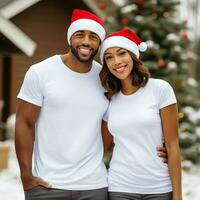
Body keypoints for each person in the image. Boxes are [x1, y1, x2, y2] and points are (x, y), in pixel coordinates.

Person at [15, 9, 167, 200]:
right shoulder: (40, 72)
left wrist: (160, 144)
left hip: (95, 186)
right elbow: (24, 122)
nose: (86, 41)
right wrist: (26, 176)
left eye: (93, 37)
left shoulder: (107, 78)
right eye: (80, 35)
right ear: (70, 37)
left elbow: (126, 115)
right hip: (47, 186)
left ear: (99, 43)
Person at [100, 29, 182, 200]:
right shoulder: (109, 99)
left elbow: (173, 146)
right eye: (109, 57)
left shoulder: (160, 89)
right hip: (120, 186)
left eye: (122, 53)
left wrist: (178, 196)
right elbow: (104, 147)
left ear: (133, 56)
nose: (116, 61)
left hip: (159, 187)